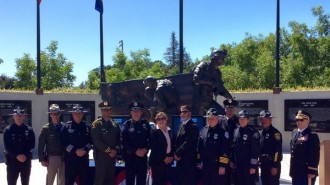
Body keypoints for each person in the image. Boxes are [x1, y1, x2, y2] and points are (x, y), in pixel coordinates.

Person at [193, 49, 233, 115]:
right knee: (198, 119)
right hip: (198, 100)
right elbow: (196, 79)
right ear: (215, 57)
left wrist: (229, 96)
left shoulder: (218, 72)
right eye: (222, 58)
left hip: (208, 100)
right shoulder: (203, 65)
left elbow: (220, 88)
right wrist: (210, 82)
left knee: (222, 113)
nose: (223, 60)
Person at [3, 106, 35, 185]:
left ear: (24, 116)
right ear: (13, 116)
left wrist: (24, 155)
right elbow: (7, 146)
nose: (19, 117)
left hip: (25, 160)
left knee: (25, 182)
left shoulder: (29, 130)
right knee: (11, 182)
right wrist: (17, 155)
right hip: (12, 161)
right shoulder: (8, 130)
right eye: (17, 115)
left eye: (20, 115)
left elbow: (31, 144)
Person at [61, 104, 92, 185]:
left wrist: (85, 150)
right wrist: (75, 151)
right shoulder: (66, 126)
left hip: (84, 159)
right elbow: (64, 142)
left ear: (82, 114)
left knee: (84, 181)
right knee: (69, 181)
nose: (77, 115)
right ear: (72, 114)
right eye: (75, 113)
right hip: (71, 160)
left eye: (79, 113)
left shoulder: (88, 126)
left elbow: (91, 142)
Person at [121, 102, 151, 185]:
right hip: (130, 158)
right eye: (134, 111)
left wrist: (146, 149)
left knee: (141, 181)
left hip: (142, 158)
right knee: (130, 180)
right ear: (131, 113)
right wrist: (135, 150)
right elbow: (123, 141)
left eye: (138, 111)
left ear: (141, 112)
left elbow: (151, 139)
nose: (136, 113)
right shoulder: (127, 125)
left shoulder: (146, 124)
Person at [198, 108, 230, 185]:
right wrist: (199, 161)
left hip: (217, 165)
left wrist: (223, 165)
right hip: (205, 165)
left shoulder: (223, 132)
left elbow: (225, 151)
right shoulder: (203, 130)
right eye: (209, 118)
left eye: (213, 118)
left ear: (217, 118)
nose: (210, 120)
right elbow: (199, 148)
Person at [91, 101, 121, 185]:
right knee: (100, 179)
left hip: (112, 157)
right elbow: (97, 141)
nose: (106, 112)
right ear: (101, 111)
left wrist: (115, 150)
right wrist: (109, 151)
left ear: (110, 111)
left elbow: (119, 139)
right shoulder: (96, 124)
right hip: (101, 157)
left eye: (108, 110)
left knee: (110, 179)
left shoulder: (115, 124)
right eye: (104, 110)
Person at [289, 110, 320, 185]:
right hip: (295, 171)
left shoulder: (312, 135)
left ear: (308, 121)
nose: (299, 122)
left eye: (301, 120)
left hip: (306, 172)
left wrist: (312, 170)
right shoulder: (294, 133)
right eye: (297, 120)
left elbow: (314, 154)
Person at [230, 110, 260, 185]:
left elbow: (255, 151)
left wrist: (253, 166)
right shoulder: (236, 131)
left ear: (248, 120)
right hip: (237, 165)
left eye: (244, 119)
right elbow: (232, 147)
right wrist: (231, 160)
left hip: (248, 165)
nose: (242, 120)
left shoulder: (253, 132)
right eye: (240, 119)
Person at [38, 104, 65, 185]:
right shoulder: (46, 128)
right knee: (50, 180)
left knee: (62, 180)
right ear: (50, 115)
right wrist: (41, 159)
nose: (55, 116)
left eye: (56, 114)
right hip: (52, 158)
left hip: (63, 157)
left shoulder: (64, 126)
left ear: (59, 114)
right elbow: (41, 145)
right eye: (52, 114)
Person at [174, 105, 199, 185]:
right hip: (180, 161)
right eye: (181, 112)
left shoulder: (193, 126)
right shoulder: (181, 125)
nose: (182, 114)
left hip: (188, 161)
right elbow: (178, 141)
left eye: (185, 112)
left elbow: (188, 142)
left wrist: (177, 153)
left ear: (190, 113)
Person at [149, 112, 174, 185]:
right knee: (157, 182)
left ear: (166, 120)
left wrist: (170, 156)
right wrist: (164, 158)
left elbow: (173, 145)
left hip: (168, 161)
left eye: (163, 118)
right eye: (158, 119)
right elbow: (155, 147)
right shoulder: (153, 131)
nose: (161, 120)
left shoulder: (170, 131)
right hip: (157, 162)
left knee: (164, 181)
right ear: (156, 121)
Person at [259, 110, 282, 185]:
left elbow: (277, 151)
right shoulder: (261, 133)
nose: (264, 121)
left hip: (272, 164)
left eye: (266, 119)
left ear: (270, 120)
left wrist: (275, 166)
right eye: (262, 119)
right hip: (263, 164)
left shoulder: (275, 133)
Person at [223, 99, 239, 185]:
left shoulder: (238, 121)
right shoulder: (220, 121)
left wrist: (232, 158)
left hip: (234, 156)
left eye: (232, 107)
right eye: (228, 107)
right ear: (225, 108)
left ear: (235, 109)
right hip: (223, 154)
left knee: (234, 180)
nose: (230, 109)